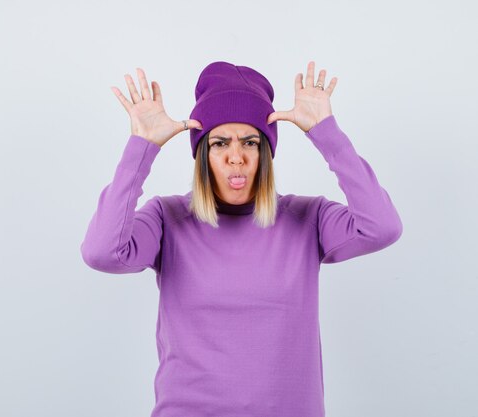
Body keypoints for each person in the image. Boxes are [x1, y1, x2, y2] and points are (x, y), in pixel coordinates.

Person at [80, 61, 403, 417]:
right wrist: (142, 149)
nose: (237, 157)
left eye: (250, 141)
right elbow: (102, 253)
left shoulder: (307, 218)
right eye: (220, 143)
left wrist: (327, 135)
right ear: (203, 155)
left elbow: (381, 227)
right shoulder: (167, 219)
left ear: (266, 153)